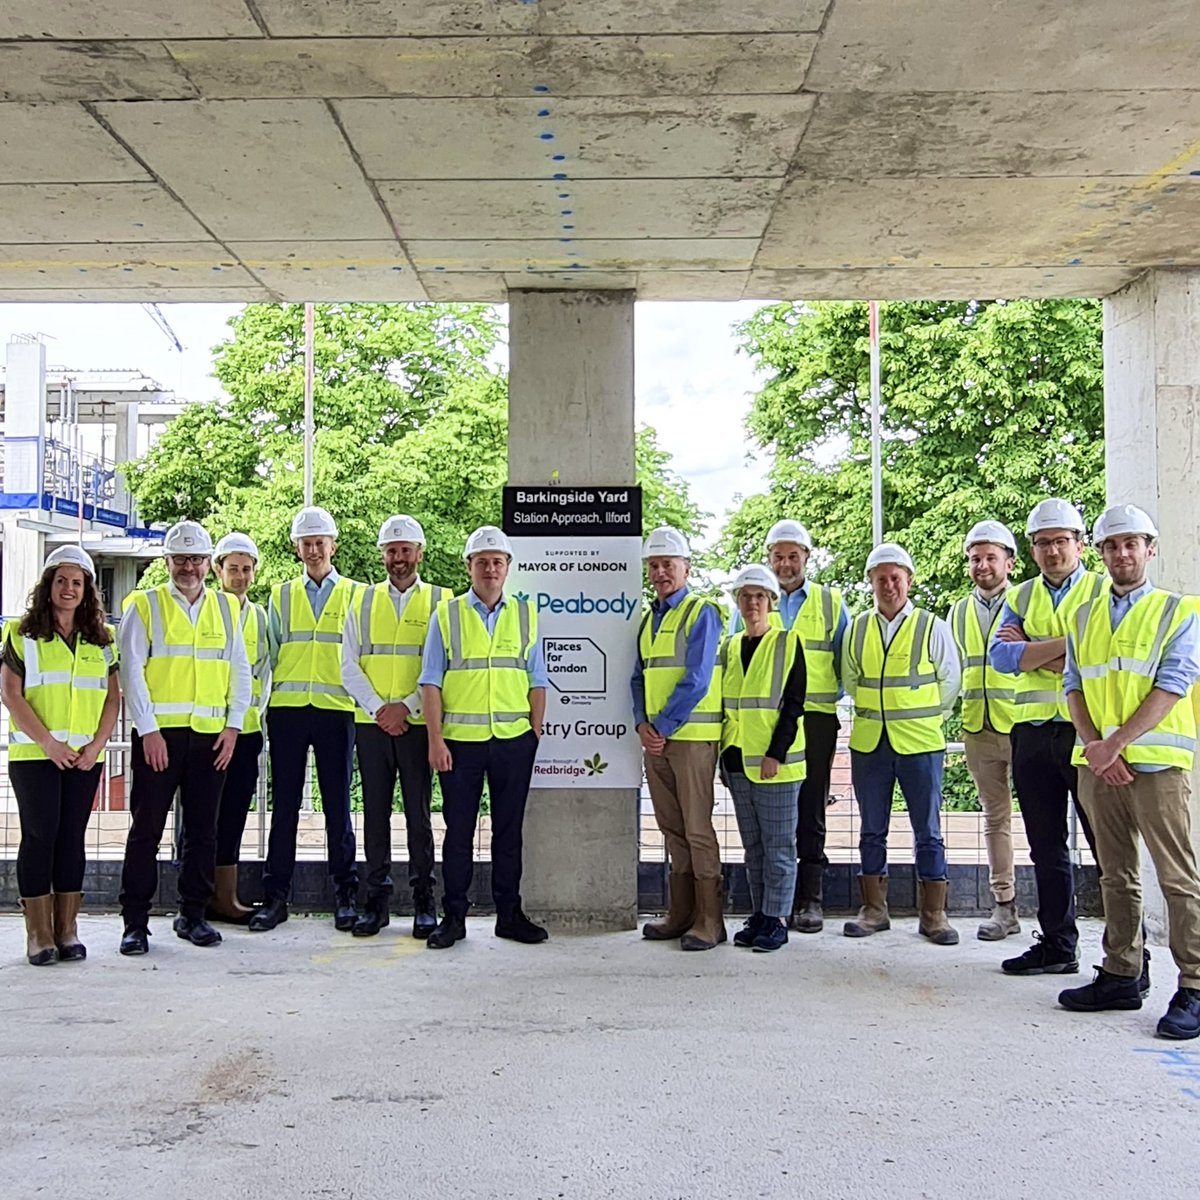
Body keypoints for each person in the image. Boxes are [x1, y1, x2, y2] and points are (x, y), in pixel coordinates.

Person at [1059, 504, 1200, 1039]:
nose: (1122, 554)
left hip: (1156, 764)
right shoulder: (1083, 616)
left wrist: (1114, 744)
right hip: (1098, 766)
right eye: (1112, 546)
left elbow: (1174, 683)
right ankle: (1121, 972)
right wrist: (1097, 747)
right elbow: (1073, 686)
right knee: (1115, 875)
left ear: (1150, 548)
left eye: (1131, 544)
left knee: (1177, 878)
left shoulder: (1177, 611)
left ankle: (1194, 984)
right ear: (1100, 554)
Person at [989, 498, 1111, 979]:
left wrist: (1032, 651)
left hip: (1089, 734)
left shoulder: (1104, 593)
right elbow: (1001, 657)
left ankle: (1128, 953)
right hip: (1032, 735)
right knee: (1046, 846)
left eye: (1062, 541)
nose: (1053, 550)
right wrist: (1072, 648)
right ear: (1033, 550)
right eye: (1043, 543)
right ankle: (1059, 945)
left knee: (1109, 848)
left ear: (1080, 545)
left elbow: (1103, 652)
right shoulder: (1019, 596)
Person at [117, 521, 250, 955]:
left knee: (202, 832)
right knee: (146, 831)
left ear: (209, 564)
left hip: (211, 737)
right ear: (167, 562)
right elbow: (131, 672)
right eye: (180, 559)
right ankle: (135, 923)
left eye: (195, 559)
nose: (188, 567)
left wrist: (233, 727)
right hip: (160, 737)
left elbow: (239, 671)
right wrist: (148, 729)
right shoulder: (145, 605)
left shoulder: (228, 609)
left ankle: (192, 914)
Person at [419, 525, 548, 950]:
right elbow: (431, 683)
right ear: (469, 566)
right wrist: (435, 741)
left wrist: (535, 732)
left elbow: (537, 679)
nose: (490, 568)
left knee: (509, 832)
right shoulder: (447, 615)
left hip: (513, 741)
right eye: (482, 561)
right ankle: (453, 916)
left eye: (497, 561)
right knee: (458, 832)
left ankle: (509, 914)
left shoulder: (526, 614)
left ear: (508, 567)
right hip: (460, 744)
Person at [2, 546, 120, 966]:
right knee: (40, 836)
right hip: (36, 755)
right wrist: (50, 744)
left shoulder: (102, 638)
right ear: (48, 585)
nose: (68, 589)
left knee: (72, 838)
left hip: (84, 758)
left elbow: (112, 700)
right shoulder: (21, 633)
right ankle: (38, 934)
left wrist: (97, 746)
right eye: (61, 581)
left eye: (77, 582)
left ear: (88, 588)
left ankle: (67, 930)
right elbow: (11, 695)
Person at [730, 519, 849, 933]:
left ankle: (809, 899)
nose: (785, 563)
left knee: (810, 811)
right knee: (766, 827)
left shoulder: (830, 602)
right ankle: (771, 907)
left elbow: (845, 661)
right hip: (761, 727)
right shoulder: (748, 607)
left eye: (792, 555)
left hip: (813, 719)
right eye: (778, 556)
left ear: (807, 558)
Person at [842, 543, 962, 945]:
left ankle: (934, 914)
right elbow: (850, 681)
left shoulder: (932, 626)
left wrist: (923, 716)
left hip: (921, 744)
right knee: (871, 829)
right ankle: (874, 909)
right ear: (871, 583)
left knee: (927, 830)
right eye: (881, 579)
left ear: (909, 581)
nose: (889, 586)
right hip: (870, 744)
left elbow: (950, 683)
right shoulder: (857, 628)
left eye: (896, 578)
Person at [250, 506, 361, 934]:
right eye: (307, 543)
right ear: (297, 548)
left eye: (321, 542)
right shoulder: (280, 594)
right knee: (285, 810)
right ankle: (276, 897)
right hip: (289, 712)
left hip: (337, 711)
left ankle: (345, 896)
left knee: (338, 808)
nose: (314, 550)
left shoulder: (355, 593)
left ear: (334, 545)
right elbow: (269, 656)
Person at [342, 515, 452, 939]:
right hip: (372, 725)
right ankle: (377, 901)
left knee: (419, 816)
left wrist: (404, 708)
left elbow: (444, 664)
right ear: (383, 555)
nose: (398, 558)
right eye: (392, 551)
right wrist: (377, 709)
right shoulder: (363, 602)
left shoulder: (443, 602)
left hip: (419, 723)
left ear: (420, 553)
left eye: (406, 550)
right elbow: (347, 664)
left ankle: (425, 899)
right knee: (374, 815)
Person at [632, 526, 726, 951]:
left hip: (690, 740)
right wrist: (642, 725)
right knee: (672, 829)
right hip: (657, 741)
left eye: (668, 564)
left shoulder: (701, 612)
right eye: (654, 565)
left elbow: (698, 679)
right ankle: (682, 913)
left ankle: (710, 919)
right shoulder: (648, 619)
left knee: (697, 829)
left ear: (686, 567)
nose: (660, 572)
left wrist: (662, 727)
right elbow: (638, 678)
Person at [722, 566, 806, 953]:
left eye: (760, 596)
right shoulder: (730, 646)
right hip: (738, 761)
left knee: (779, 846)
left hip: (776, 765)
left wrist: (775, 753)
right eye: (745, 596)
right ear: (738, 602)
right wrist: (724, 757)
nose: (752, 603)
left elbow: (793, 705)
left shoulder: (789, 643)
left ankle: (776, 919)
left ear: (772, 602)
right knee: (753, 846)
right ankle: (759, 912)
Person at [947, 521, 1021, 941]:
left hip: (1023, 724)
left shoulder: (1026, 602)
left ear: (1009, 562)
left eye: (991, 557)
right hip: (978, 725)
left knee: (1045, 823)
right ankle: (1004, 906)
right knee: (995, 820)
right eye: (975, 558)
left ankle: (1052, 919)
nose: (982, 565)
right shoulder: (958, 611)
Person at [207, 531, 270, 924]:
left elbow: (264, 668)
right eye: (233, 569)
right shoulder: (209, 609)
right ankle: (195, 897)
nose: (241, 576)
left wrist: (253, 714)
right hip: (212, 731)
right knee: (201, 817)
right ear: (218, 571)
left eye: (246, 570)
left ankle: (225, 897)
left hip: (246, 733)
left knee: (233, 815)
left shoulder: (260, 616)